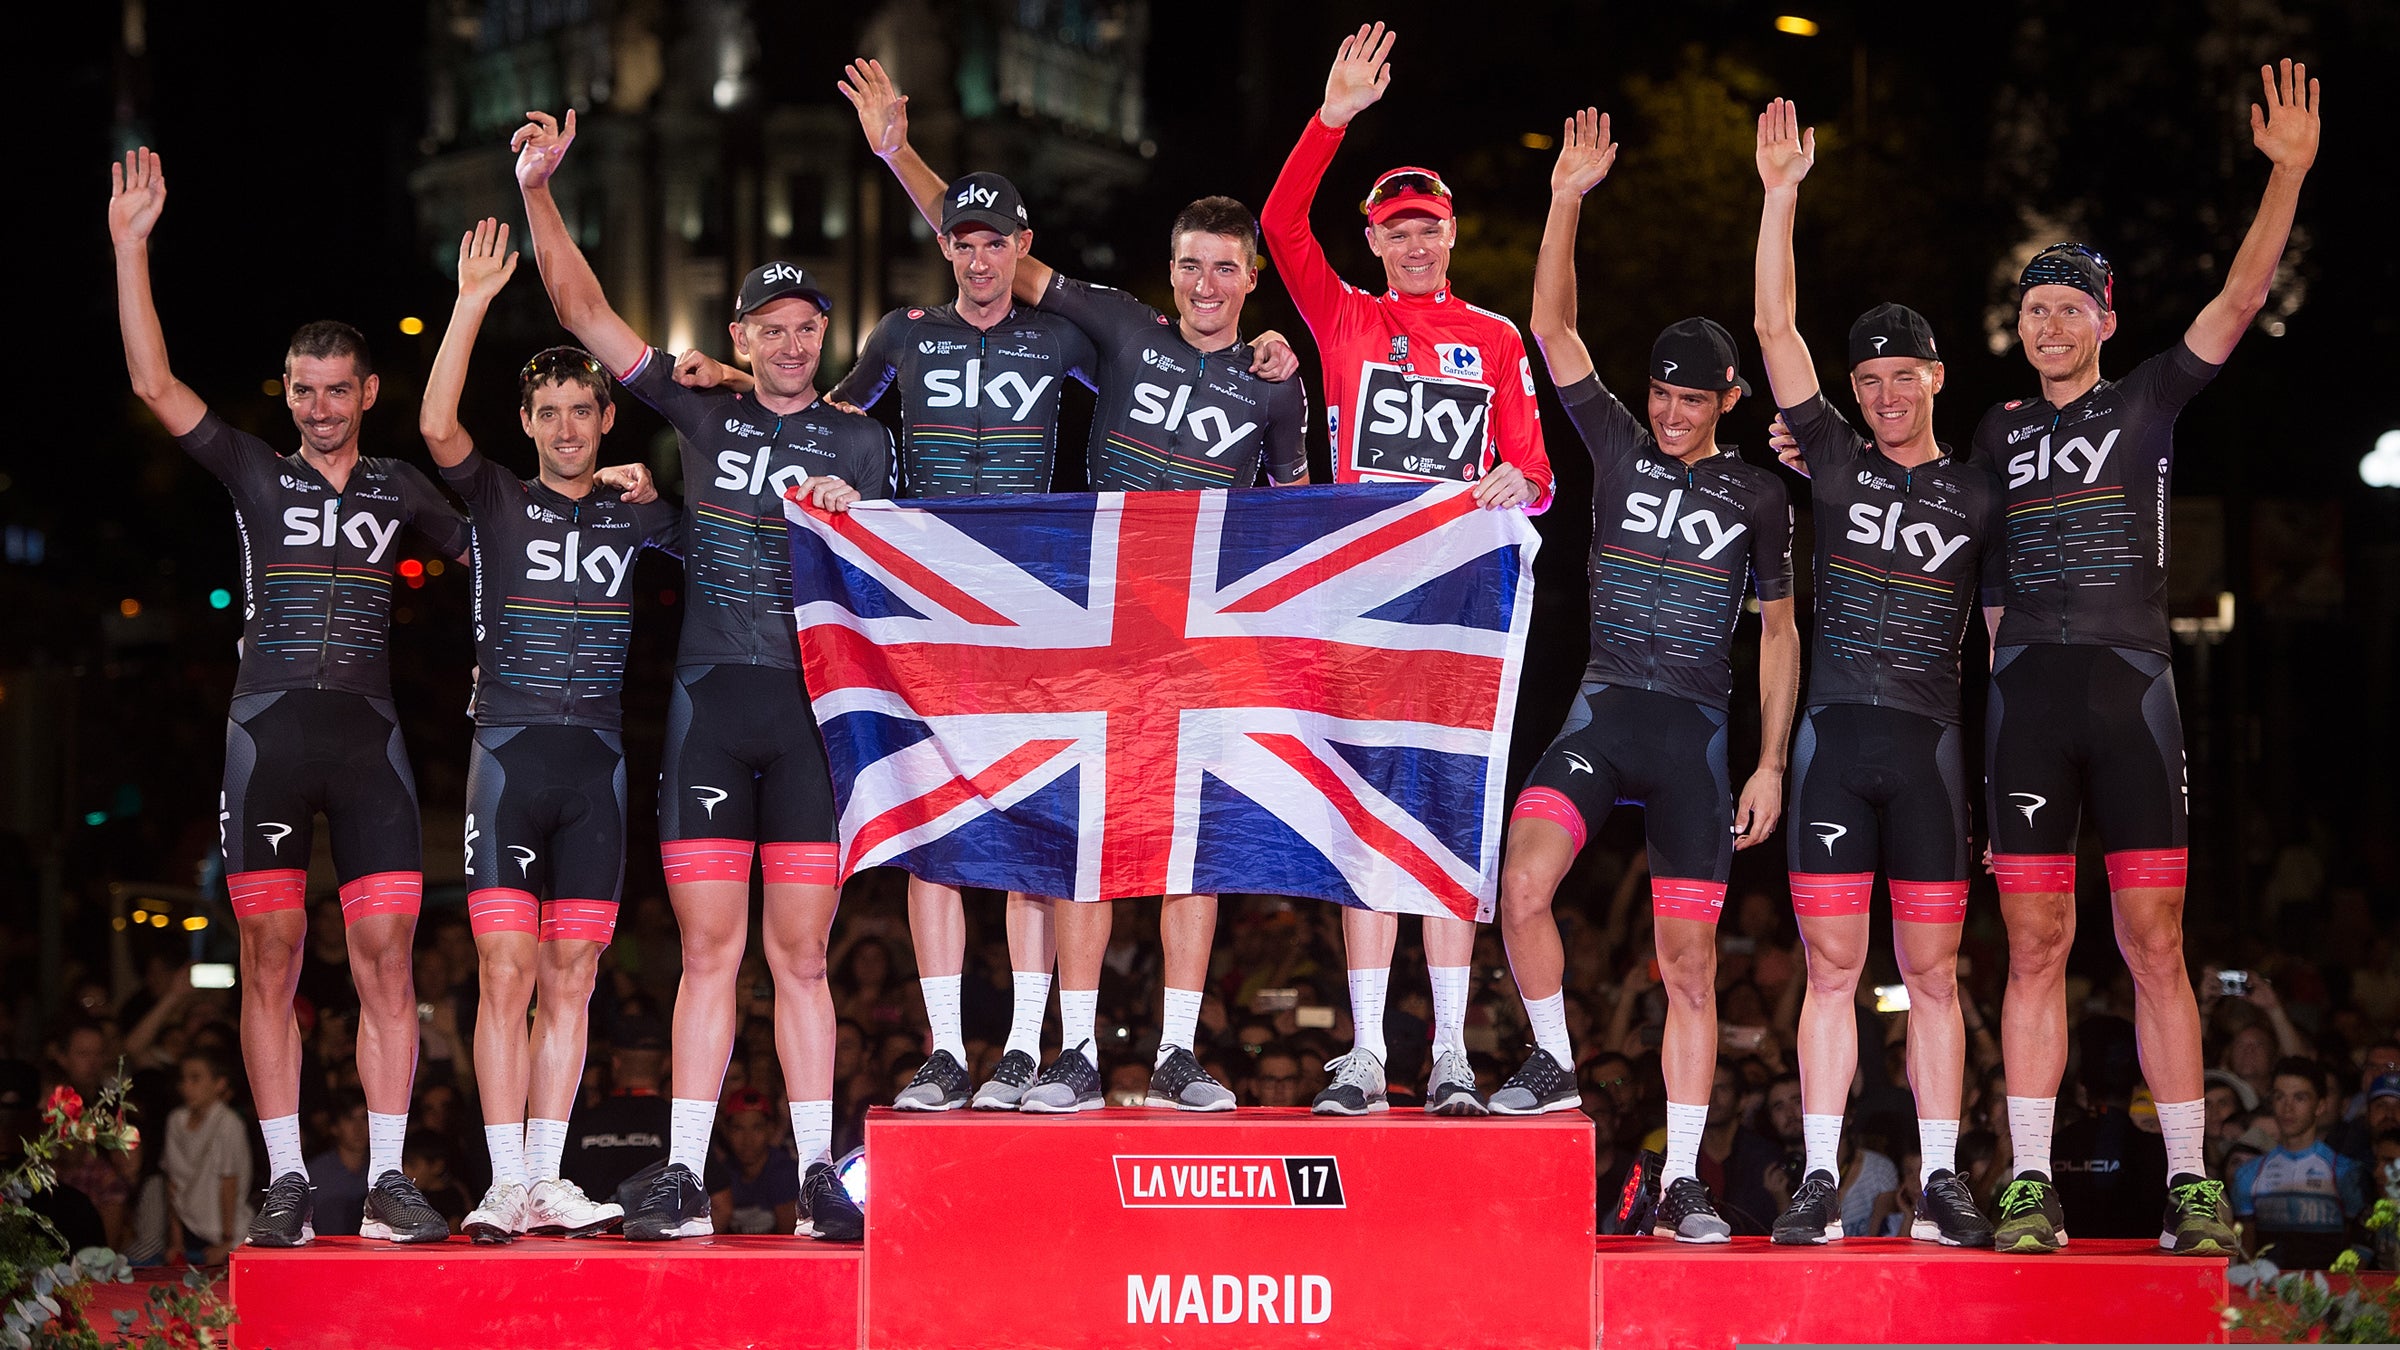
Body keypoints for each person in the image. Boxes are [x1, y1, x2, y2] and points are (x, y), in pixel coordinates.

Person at [837, 57, 1307, 1116]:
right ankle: (1078, 1051)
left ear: (1249, 281)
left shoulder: (1279, 391)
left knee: (1195, 842)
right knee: (1085, 832)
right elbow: (987, 252)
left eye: (1223, 270)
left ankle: (1180, 1051)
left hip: (1202, 638)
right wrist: (892, 149)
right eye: (1190, 265)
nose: (1202, 285)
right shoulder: (1117, 325)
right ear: (1171, 268)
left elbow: (1297, 521)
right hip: (1086, 622)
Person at [516, 109, 885, 1243]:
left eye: (804, 327)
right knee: (709, 951)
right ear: (738, 332)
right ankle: (680, 1176)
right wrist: (537, 190)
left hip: (815, 714)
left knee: (803, 958)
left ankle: (822, 1176)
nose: (788, 343)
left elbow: (909, 564)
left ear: (820, 337)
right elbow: (582, 314)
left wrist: (858, 514)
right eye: (769, 327)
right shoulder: (699, 406)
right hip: (709, 712)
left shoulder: (861, 441)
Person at [1981, 61, 2319, 1257]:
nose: (2052, 321)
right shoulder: (1997, 432)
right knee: (2033, 945)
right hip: (2025, 705)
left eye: (2072, 305)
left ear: (2107, 322)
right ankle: (2028, 1183)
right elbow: (1935, 531)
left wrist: (2284, 175)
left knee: (2156, 942)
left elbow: (2237, 293)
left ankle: (2189, 1183)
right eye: (2036, 306)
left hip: (2131, 694)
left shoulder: (2152, 402)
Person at [109, 146, 458, 1247]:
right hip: (265, 737)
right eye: (301, 390)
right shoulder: (258, 472)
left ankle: (393, 1178)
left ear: (366, 393)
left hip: (369, 744)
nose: (316, 407)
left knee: (387, 957)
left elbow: (508, 526)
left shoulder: (403, 487)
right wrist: (130, 247)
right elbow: (155, 386)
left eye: (334, 390)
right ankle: (288, 1179)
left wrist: (615, 486)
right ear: (290, 393)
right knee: (269, 957)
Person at [1505, 108, 1797, 1243]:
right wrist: (1566, 196)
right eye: (1660, 395)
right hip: (1602, 711)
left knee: (1687, 967)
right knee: (1519, 887)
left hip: (1694, 740)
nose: (1671, 414)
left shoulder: (1762, 496)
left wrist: (1770, 762)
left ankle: (1683, 1179)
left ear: (1730, 398)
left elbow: (1778, 633)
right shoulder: (1618, 444)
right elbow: (1551, 323)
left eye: (1692, 399)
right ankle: (1551, 1066)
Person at [1260, 21, 1556, 1120]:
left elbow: (1536, 473)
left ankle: (1449, 1058)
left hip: (1457, 615)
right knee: (1360, 824)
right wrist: (1331, 116)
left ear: (1454, 233)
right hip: (1358, 607)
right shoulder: (1345, 317)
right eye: (1398, 231)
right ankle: (1363, 1053)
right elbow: (1279, 225)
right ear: (1374, 241)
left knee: (1444, 826)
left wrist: (1510, 489)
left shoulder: (1494, 335)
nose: (1417, 245)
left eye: (1430, 228)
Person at [1747, 98, 2001, 1248]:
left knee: (1935, 974)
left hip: (1936, 754)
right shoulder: (1834, 461)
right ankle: (1817, 1178)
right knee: (1833, 968)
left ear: (1937, 378)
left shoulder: (1984, 487)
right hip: (1835, 751)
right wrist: (1781, 195)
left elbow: (2007, 641)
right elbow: (1773, 328)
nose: (1887, 395)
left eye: (1906, 377)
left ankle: (1943, 1182)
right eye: (1871, 381)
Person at [818, 139, 1102, 1115]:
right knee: (932, 827)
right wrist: (731, 398)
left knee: (1032, 822)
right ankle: (945, 1050)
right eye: (962, 242)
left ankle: (1024, 1046)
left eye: (995, 244)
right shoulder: (904, 335)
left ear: (1023, 245)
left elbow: (1163, 392)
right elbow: (822, 420)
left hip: (1030, 615)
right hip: (925, 617)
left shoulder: (1063, 338)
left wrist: (1257, 359)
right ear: (945, 247)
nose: (979, 260)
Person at [419, 218, 682, 1243]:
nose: (569, 428)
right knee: (504, 972)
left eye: (583, 410)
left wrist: (662, 481)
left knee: (573, 976)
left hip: (600, 768)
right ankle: (497, 1181)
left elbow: (724, 536)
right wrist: (473, 300)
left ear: (607, 417)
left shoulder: (639, 516)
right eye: (551, 414)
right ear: (527, 423)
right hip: (510, 758)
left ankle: (543, 1177)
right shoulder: (492, 499)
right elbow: (439, 424)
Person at [2233, 1058, 2365, 1269]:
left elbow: (2359, 1245)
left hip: (2328, 1294)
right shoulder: (2248, 1175)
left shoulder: (2344, 1172)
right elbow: (2246, 1255)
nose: (2287, 1108)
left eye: (2300, 1098)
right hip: (2268, 1295)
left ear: (2320, 1105)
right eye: (2279, 1097)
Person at [162, 1050, 250, 1264]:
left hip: (224, 1231)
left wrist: (227, 1242)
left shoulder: (228, 1123)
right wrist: (176, 1242)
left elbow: (229, 1183)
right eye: (183, 1079)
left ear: (219, 1084)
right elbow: (173, 1184)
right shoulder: (176, 1120)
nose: (187, 1087)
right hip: (189, 1232)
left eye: (196, 1079)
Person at [707, 1089, 801, 1235]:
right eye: (738, 1129)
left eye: (757, 1128)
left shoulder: (784, 1172)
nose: (747, 1140)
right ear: (727, 1131)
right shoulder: (723, 1173)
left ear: (770, 1129)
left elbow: (788, 1239)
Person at [304, 1092, 371, 1238]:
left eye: (365, 1119)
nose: (358, 1128)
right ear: (334, 1127)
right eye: (349, 1119)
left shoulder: (385, 1171)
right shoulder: (313, 1174)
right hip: (323, 1255)